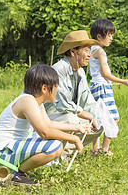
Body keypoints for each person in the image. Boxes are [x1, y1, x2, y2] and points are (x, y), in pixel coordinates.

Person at [0, 64, 90, 186]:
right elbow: (44, 132)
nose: (57, 91)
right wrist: (74, 139)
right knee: (55, 147)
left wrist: (77, 127)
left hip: (9, 149)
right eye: (56, 87)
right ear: (44, 88)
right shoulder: (27, 101)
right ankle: (16, 174)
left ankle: (17, 171)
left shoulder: (34, 101)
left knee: (51, 141)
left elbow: (49, 124)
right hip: (1, 154)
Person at [44, 30, 104, 158]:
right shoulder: (59, 69)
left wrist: (97, 116)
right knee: (71, 118)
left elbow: (87, 100)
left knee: (100, 125)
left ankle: (64, 153)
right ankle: (54, 155)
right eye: (86, 50)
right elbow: (63, 105)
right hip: (48, 117)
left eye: (90, 51)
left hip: (67, 115)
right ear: (73, 51)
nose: (89, 55)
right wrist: (88, 116)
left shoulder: (80, 72)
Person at [89, 19, 128, 156]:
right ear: (99, 36)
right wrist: (123, 81)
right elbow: (105, 73)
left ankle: (95, 149)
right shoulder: (100, 52)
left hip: (94, 85)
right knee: (113, 118)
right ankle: (104, 149)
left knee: (97, 117)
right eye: (109, 35)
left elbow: (91, 72)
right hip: (102, 87)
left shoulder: (90, 50)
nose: (111, 39)